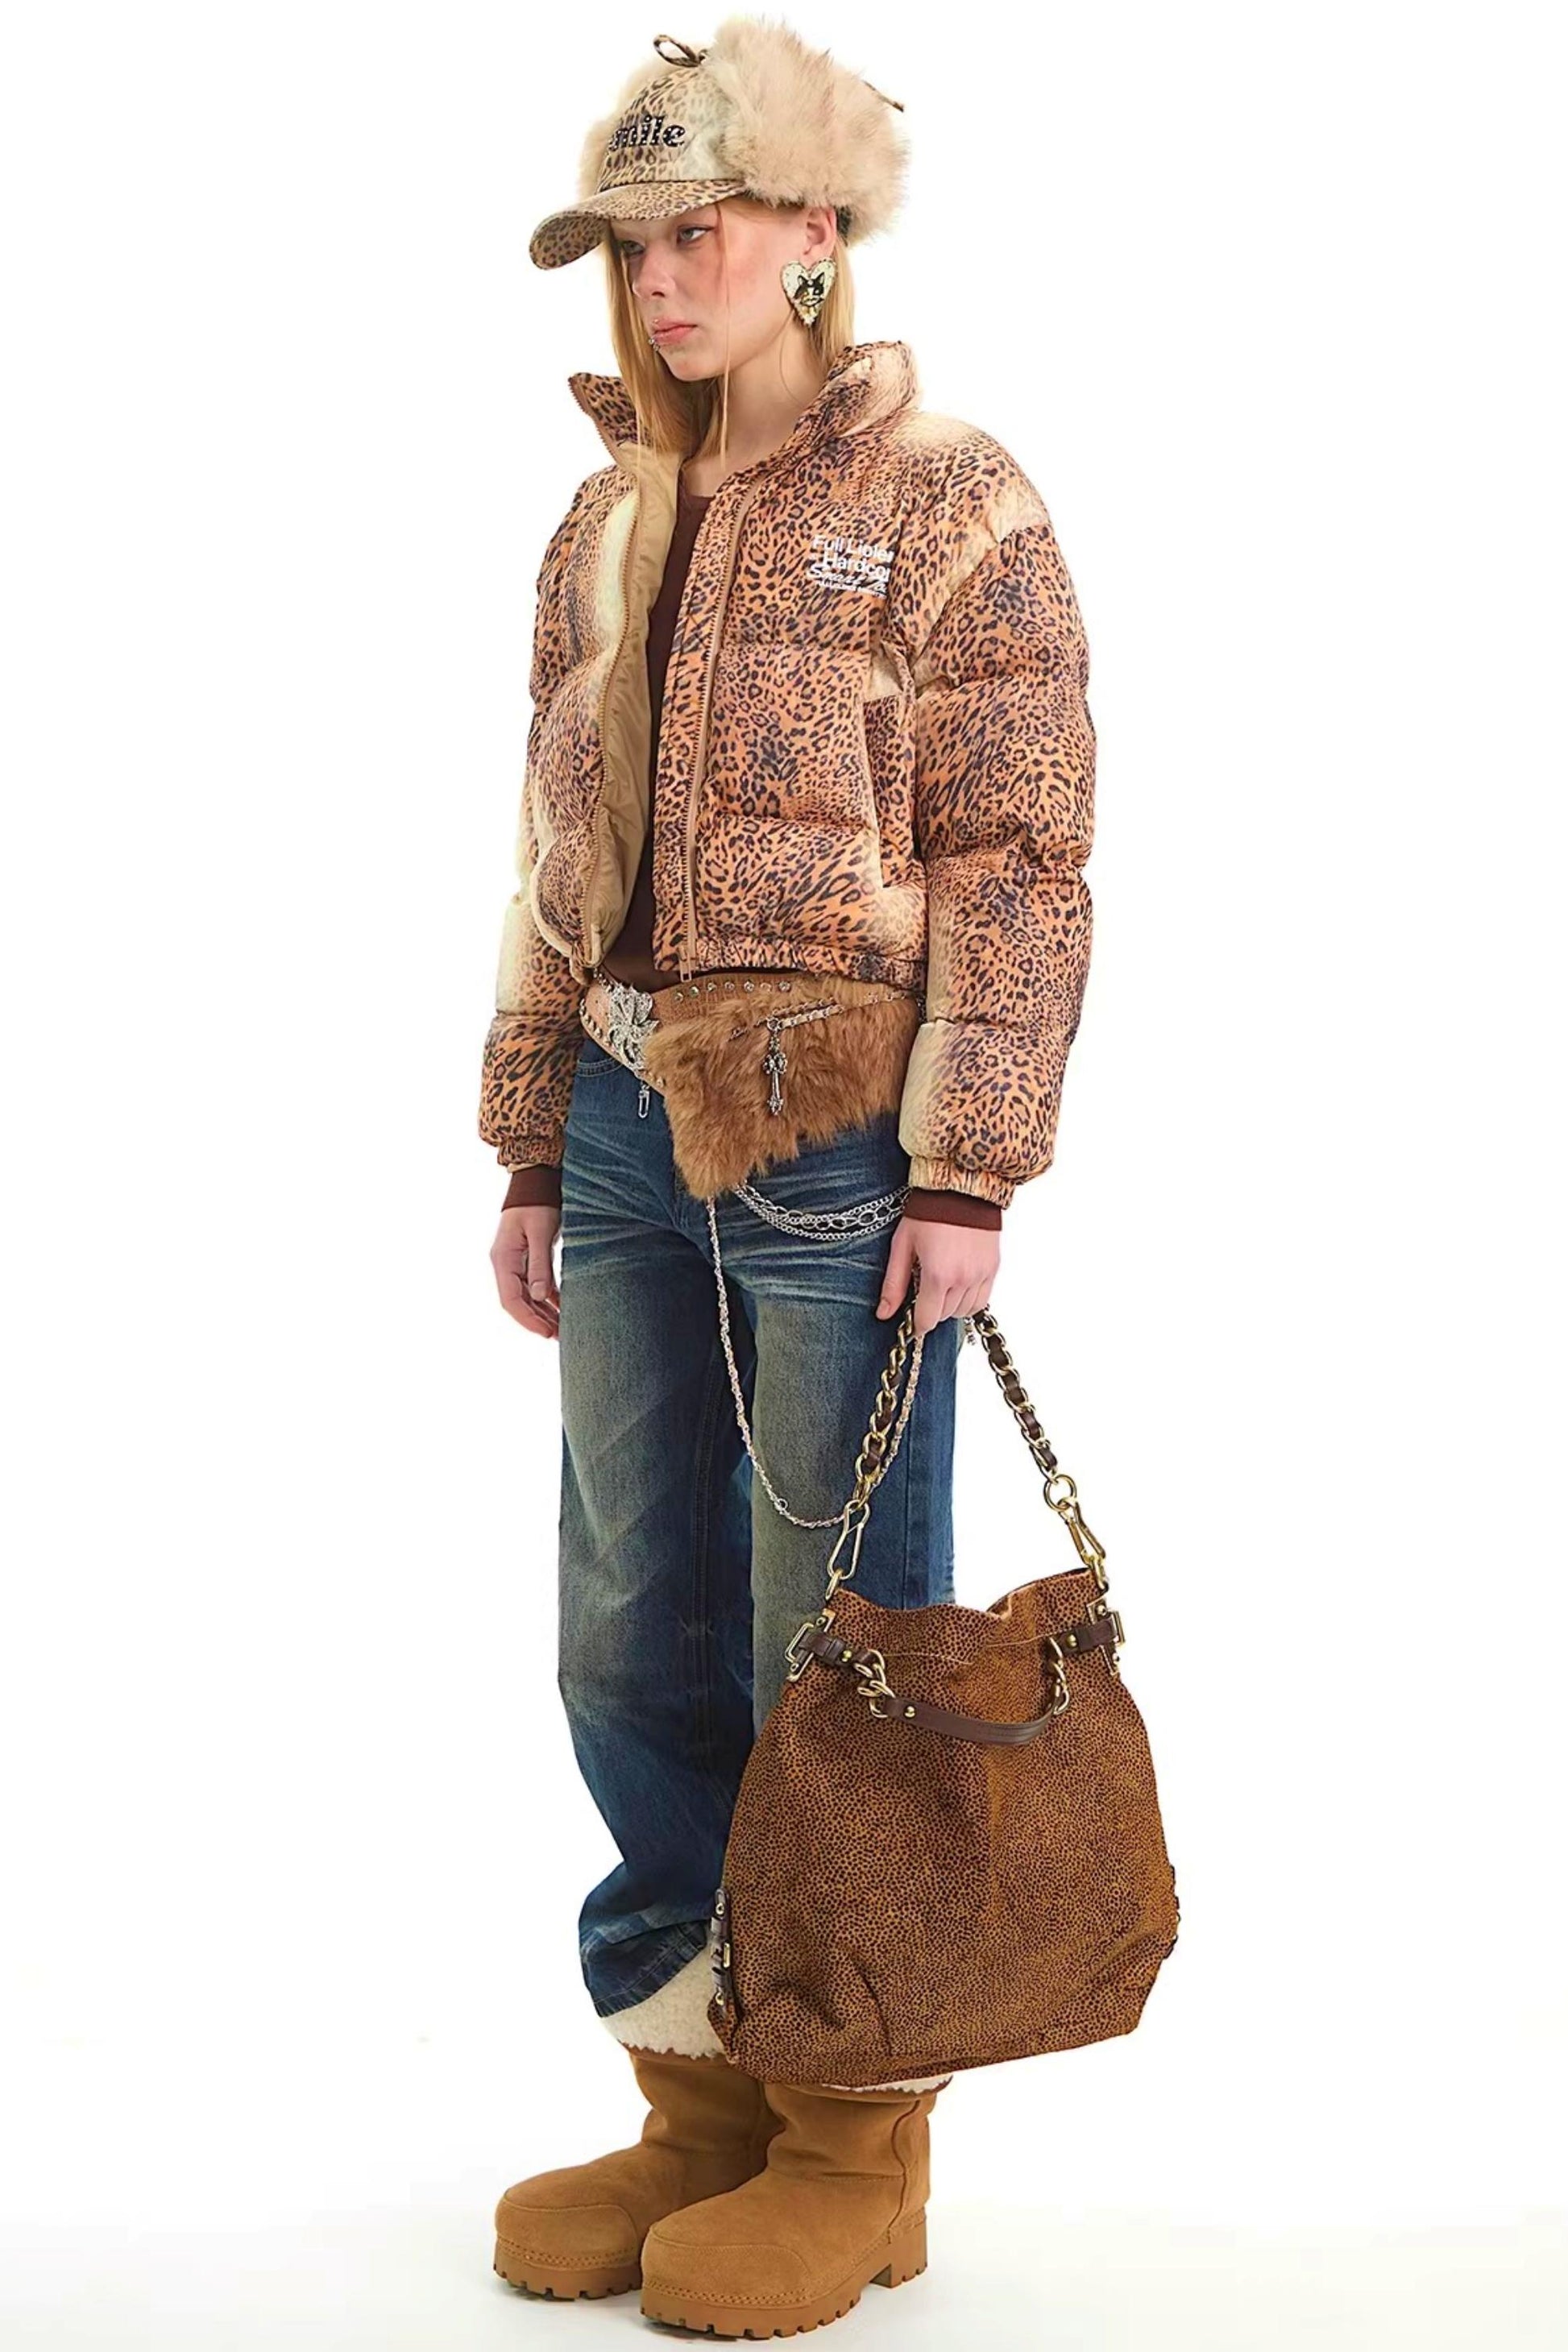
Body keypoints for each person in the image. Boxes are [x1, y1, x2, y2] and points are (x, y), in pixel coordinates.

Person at [478, 20, 1096, 2336]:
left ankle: (854, 2140)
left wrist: (971, 1167)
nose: (661, 280)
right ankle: (697, 2092)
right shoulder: (603, 521)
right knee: (626, 1626)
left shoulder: (951, 501)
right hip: (626, 1121)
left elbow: (1021, 856)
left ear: (816, 237)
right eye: (631, 245)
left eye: (700, 234)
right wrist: (533, 1130)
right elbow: (552, 858)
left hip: (843, 1141)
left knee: (830, 1644)